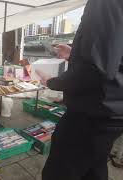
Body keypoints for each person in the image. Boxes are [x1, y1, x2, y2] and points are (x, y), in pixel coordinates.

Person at [38, 1, 123, 180]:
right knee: (94, 166)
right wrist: (75, 54)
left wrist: (52, 82)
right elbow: (111, 56)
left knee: (59, 172)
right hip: (113, 110)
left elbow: (96, 69)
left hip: (92, 113)